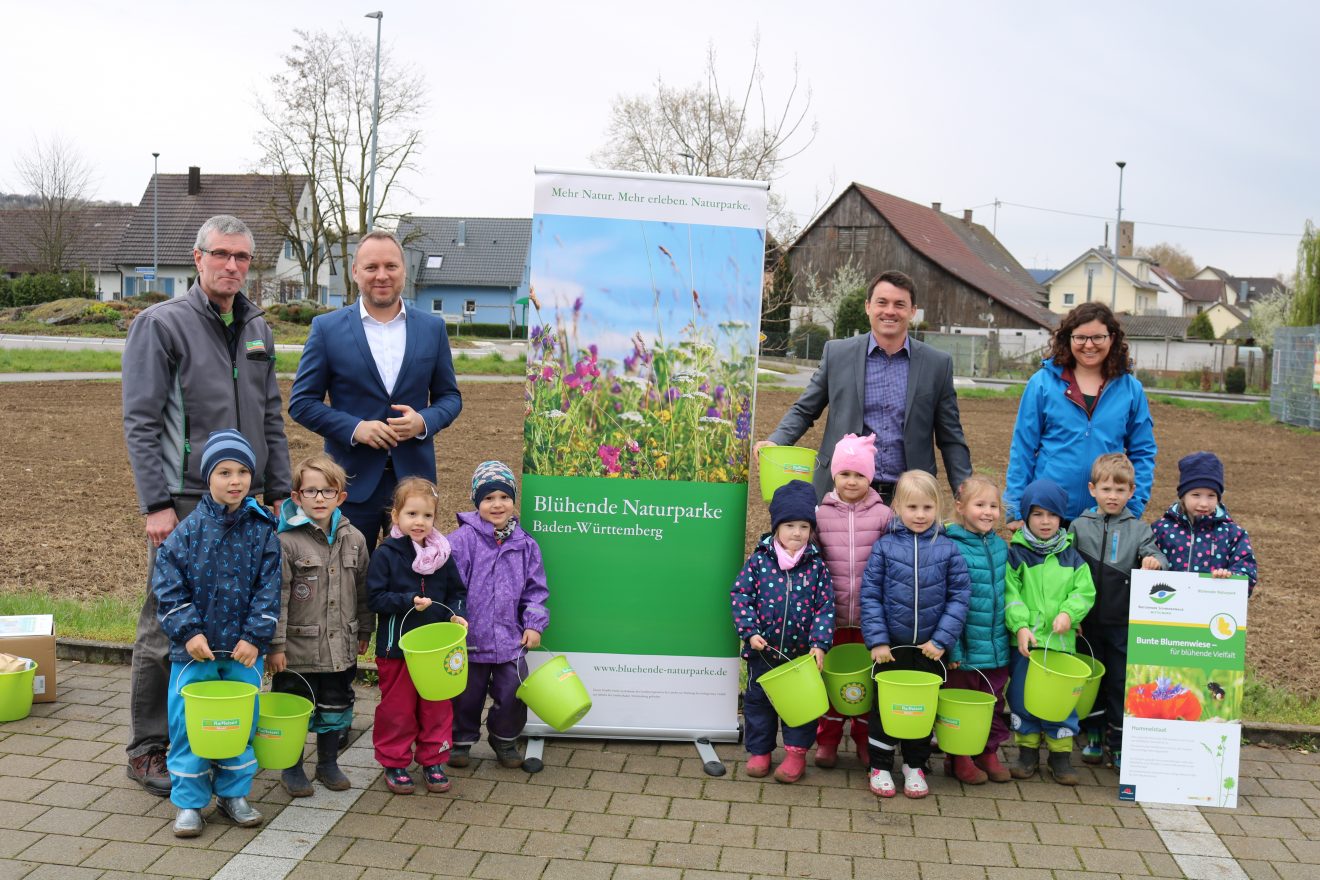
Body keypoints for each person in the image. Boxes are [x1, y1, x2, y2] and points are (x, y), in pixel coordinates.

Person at [121, 214, 291, 796]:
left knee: (239, 615)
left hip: (248, 503)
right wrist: (155, 504)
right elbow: (141, 422)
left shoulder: (258, 329)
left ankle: (217, 738)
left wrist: (278, 487)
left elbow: (271, 414)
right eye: (221, 255)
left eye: (242, 258)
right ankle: (149, 747)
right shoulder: (160, 325)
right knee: (166, 621)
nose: (232, 266)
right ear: (197, 259)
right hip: (186, 502)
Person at [290, 230, 463, 552]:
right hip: (349, 483)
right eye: (371, 267)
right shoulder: (326, 329)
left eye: (391, 266)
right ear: (355, 272)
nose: (381, 275)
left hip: (415, 487)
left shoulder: (432, 328)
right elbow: (301, 403)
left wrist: (423, 422)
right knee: (348, 583)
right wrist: (355, 428)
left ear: (403, 270)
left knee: (413, 582)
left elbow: (450, 398)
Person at [152, 430, 281, 838]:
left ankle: (234, 794)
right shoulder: (187, 532)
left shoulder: (263, 531)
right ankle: (190, 802)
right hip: (195, 654)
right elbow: (168, 584)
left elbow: (269, 588)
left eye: (243, 471)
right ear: (208, 477)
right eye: (224, 471)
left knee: (239, 724)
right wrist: (188, 632)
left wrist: (255, 637)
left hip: (243, 653)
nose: (235, 480)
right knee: (189, 726)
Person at [757, 270, 973, 503]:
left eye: (899, 304)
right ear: (868, 306)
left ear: (912, 312)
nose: (890, 311)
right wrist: (777, 440)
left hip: (909, 500)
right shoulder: (837, 354)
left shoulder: (937, 364)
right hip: (843, 493)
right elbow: (805, 409)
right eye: (882, 302)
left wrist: (966, 493)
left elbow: (951, 437)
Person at [268, 453, 374, 797]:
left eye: (327, 491)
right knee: (294, 709)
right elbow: (278, 596)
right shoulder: (285, 542)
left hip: (339, 647)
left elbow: (363, 588)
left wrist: (364, 630)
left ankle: (328, 762)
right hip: (296, 651)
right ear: (296, 496)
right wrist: (276, 645)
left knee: (336, 706)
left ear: (340, 497)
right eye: (310, 491)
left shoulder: (355, 538)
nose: (319, 498)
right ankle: (292, 767)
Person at [860, 469, 970, 798]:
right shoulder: (884, 547)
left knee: (921, 709)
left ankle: (915, 764)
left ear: (938, 507)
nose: (920, 515)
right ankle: (879, 764)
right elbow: (871, 596)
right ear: (897, 507)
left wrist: (941, 640)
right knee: (884, 708)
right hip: (891, 648)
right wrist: (878, 640)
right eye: (912, 507)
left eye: (927, 507)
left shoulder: (948, 549)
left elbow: (959, 596)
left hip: (929, 650)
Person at [1004, 301, 1156, 527]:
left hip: (1106, 517)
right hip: (1049, 514)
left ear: (1112, 338)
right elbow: (1023, 447)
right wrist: (1016, 508)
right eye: (1080, 338)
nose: (1089, 345)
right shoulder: (1042, 384)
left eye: (1097, 337)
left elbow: (1143, 452)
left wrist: (1133, 507)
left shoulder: (1131, 389)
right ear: (1069, 339)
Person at [730, 480, 835, 784]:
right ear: (776, 526)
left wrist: (819, 643)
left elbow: (825, 606)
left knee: (799, 706)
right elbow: (741, 596)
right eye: (789, 525)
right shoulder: (760, 561)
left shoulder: (816, 566)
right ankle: (760, 751)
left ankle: (795, 754)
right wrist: (749, 632)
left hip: (800, 655)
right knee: (758, 703)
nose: (797, 533)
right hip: (763, 651)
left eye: (804, 526)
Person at [368, 477, 469, 795]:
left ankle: (433, 760)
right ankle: (395, 761)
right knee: (397, 709)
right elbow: (375, 598)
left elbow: (457, 591)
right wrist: (407, 600)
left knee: (437, 706)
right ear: (396, 516)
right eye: (412, 514)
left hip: (437, 650)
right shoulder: (387, 554)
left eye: (427, 515)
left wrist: (455, 612)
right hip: (396, 650)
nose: (419, 522)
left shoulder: (443, 554)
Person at [447, 461, 549, 770]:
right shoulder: (461, 541)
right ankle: (460, 741)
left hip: (510, 638)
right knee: (465, 695)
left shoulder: (525, 545)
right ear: (477, 501)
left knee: (513, 691)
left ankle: (504, 738)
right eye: (488, 498)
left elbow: (536, 590)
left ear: (513, 499)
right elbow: (451, 587)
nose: (497, 504)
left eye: (504, 497)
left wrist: (533, 624)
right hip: (470, 639)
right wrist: (454, 617)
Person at [1068, 453, 1166, 771]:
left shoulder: (1139, 529)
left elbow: (1156, 555)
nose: (1113, 496)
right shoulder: (1078, 527)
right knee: (1092, 682)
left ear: (1131, 492)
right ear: (1092, 489)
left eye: (1120, 490)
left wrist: (1154, 562)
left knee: (1120, 682)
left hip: (1122, 624)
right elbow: (1066, 570)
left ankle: (1119, 743)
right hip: (1086, 624)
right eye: (1107, 489)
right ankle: (1093, 738)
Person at [1004, 479, 1096, 786]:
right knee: (1022, 696)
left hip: (1060, 645)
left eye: (1053, 515)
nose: (1046, 522)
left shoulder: (1072, 557)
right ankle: (1027, 751)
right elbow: (1010, 594)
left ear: (1062, 519)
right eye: (1038, 514)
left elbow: (1085, 592)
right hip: (1027, 645)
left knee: (1061, 700)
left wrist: (1070, 613)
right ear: (1026, 517)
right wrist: (1020, 626)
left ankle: (1060, 754)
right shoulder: (1016, 554)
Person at [812, 433, 891, 769]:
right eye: (845, 474)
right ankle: (827, 741)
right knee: (830, 683)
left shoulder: (884, 516)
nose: (852, 481)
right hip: (832, 618)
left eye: (860, 475)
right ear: (834, 475)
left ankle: (863, 741)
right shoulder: (819, 515)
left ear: (870, 478)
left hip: (868, 621)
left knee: (865, 685)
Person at [944, 475, 1013, 784]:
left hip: (995, 645)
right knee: (960, 702)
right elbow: (949, 601)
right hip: (965, 646)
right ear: (961, 507)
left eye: (993, 506)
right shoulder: (951, 546)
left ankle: (987, 750)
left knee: (993, 700)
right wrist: (954, 648)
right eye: (980, 504)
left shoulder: (1000, 547)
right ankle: (958, 756)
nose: (988, 512)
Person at [1151, 452, 1257, 592]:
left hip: (1212, 610)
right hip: (1168, 609)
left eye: (1211, 496)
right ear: (1183, 495)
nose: (1204, 503)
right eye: (1196, 495)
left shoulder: (1233, 534)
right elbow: (1142, 567)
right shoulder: (1160, 529)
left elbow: (1247, 571)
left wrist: (1231, 578)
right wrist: (1150, 565)